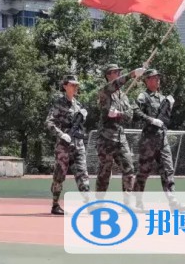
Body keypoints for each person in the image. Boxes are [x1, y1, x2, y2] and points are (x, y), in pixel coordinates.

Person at [133, 69, 185, 210]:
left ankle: (173, 201)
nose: (157, 80)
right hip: (148, 140)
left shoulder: (163, 98)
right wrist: (151, 120)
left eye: (158, 78)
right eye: (154, 78)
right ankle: (138, 202)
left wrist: (169, 106)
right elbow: (136, 112)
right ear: (147, 80)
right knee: (144, 171)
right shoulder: (143, 96)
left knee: (168, 169)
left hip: (162, 139)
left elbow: (166, 119)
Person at [96, 64, 143, 202]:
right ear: (108, 75)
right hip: (106, 138)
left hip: (120, 138)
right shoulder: (104, 91)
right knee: (105, 173)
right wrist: (131, 74)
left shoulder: (124, 96)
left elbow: (130, 116)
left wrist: (118, 114)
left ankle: (127, 202)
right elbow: (115, 84)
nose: (118, 74)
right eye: (115, 72)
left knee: (129, 168)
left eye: (119, 72)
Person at [45, 75, 91, 215]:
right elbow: (49, 122)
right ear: (65, 86)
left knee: (83, 174)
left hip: (78, 144)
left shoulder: (78, 105)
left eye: (76, 85)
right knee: (59, 176)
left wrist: (83, 115)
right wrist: (61, 134)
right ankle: (55, 204)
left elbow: (79, 125)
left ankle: (89, 204)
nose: (75, 87)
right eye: (72, 85)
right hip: (64, 145)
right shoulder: (59, 104)